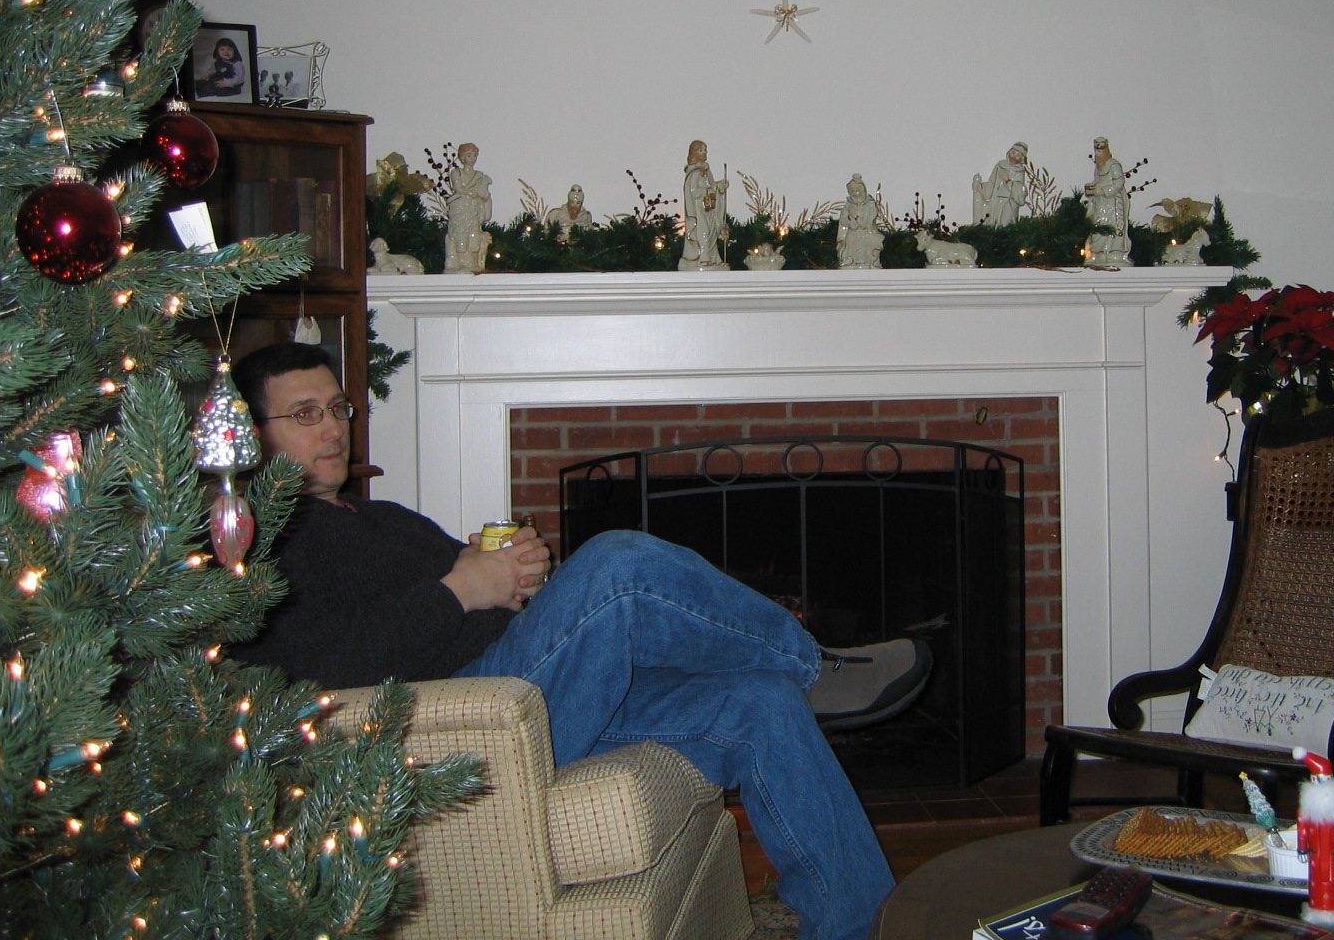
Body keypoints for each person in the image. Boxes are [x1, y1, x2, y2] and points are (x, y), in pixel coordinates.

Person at [228, 342, 932, 940]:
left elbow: (473, 601)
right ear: (253, 435)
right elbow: (316, 668)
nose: (333, 428)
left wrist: (514, 578)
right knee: (618, 563)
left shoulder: (382, 518)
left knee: (760, 701)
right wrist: (462, 588)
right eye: (305, 414)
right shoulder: (262, 541)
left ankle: (861, 926)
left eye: (338, 408)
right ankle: (812, 663)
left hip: (530, 695)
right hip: (464, 729)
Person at [1083, 136, 1132, 267]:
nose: (1099, 153)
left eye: (1101, 150)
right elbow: (1097, 181)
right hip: (1100, 203)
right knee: (1098, 225)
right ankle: (1097, 253)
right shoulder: (1098, 167)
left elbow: (1118, 183)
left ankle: (1113, 253)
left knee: (1113, 227)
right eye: (1097, 151)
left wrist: (1102, 191)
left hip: (1113, 203)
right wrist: (1091, 188)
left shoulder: (1114, 165)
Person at [443, 142, 492, 273]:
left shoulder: (479, 176)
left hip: (474, 210)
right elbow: (458, 188)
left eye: (475, 155)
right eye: (469, 155)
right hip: (460, 210)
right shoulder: (456, 172)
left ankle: (472, 262)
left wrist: (480, 194)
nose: (472, 159)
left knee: (474, 237)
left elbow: (484, 193)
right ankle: (460, 263)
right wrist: (471, 193)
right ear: (462, 157)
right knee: (461, 236)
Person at [679, 139, 728, 271]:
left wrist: (720, 186)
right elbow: (693, 191)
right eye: (701, 150)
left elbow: (712, 186)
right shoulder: (694, 172)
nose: (704, 153)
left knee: (712, 232)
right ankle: (703, 257)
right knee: (704, 232)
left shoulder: (707, 171)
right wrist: (707, 191)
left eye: (705, 150)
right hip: (698, 211)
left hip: (709, 209)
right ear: (694, 153)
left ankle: (714, 258)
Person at [971, 142, 1030, 227]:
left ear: (1022, 158)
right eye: (1013, 153)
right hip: (996, 200)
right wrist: (981, 187)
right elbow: (992, 183)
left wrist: (1007, 181)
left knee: (1004, 224)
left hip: (1009, 202)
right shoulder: (1000, 165)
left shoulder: (1019, 172)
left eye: (1018, 155)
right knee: (991, 220)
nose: (1014, 156)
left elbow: (1020, 192)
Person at [836, 174, 885, 270]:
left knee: (864, 245)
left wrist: (859, 221)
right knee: (849, 244)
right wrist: (850, 222)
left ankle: (865, 261)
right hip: (852, 232)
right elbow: (843, 219)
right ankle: (849, 259)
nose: (855, 193)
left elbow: (868, 219)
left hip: (864, 232)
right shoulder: (849, 204)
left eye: (857, 191)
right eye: (852, 191)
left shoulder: (869, 204)